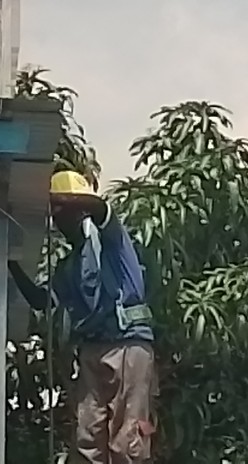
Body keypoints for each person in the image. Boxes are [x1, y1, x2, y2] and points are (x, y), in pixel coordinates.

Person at [9, 171, 158, 464]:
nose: (59, 222)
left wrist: (59, 199)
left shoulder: (112, 242)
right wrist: (10, 265)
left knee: (127, 438)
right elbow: (41, 300)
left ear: (80, 212)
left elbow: (101, 209)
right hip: (92, 348)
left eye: (63, 213)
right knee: (88, 438)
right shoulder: (70, 266)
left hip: (126, 345)